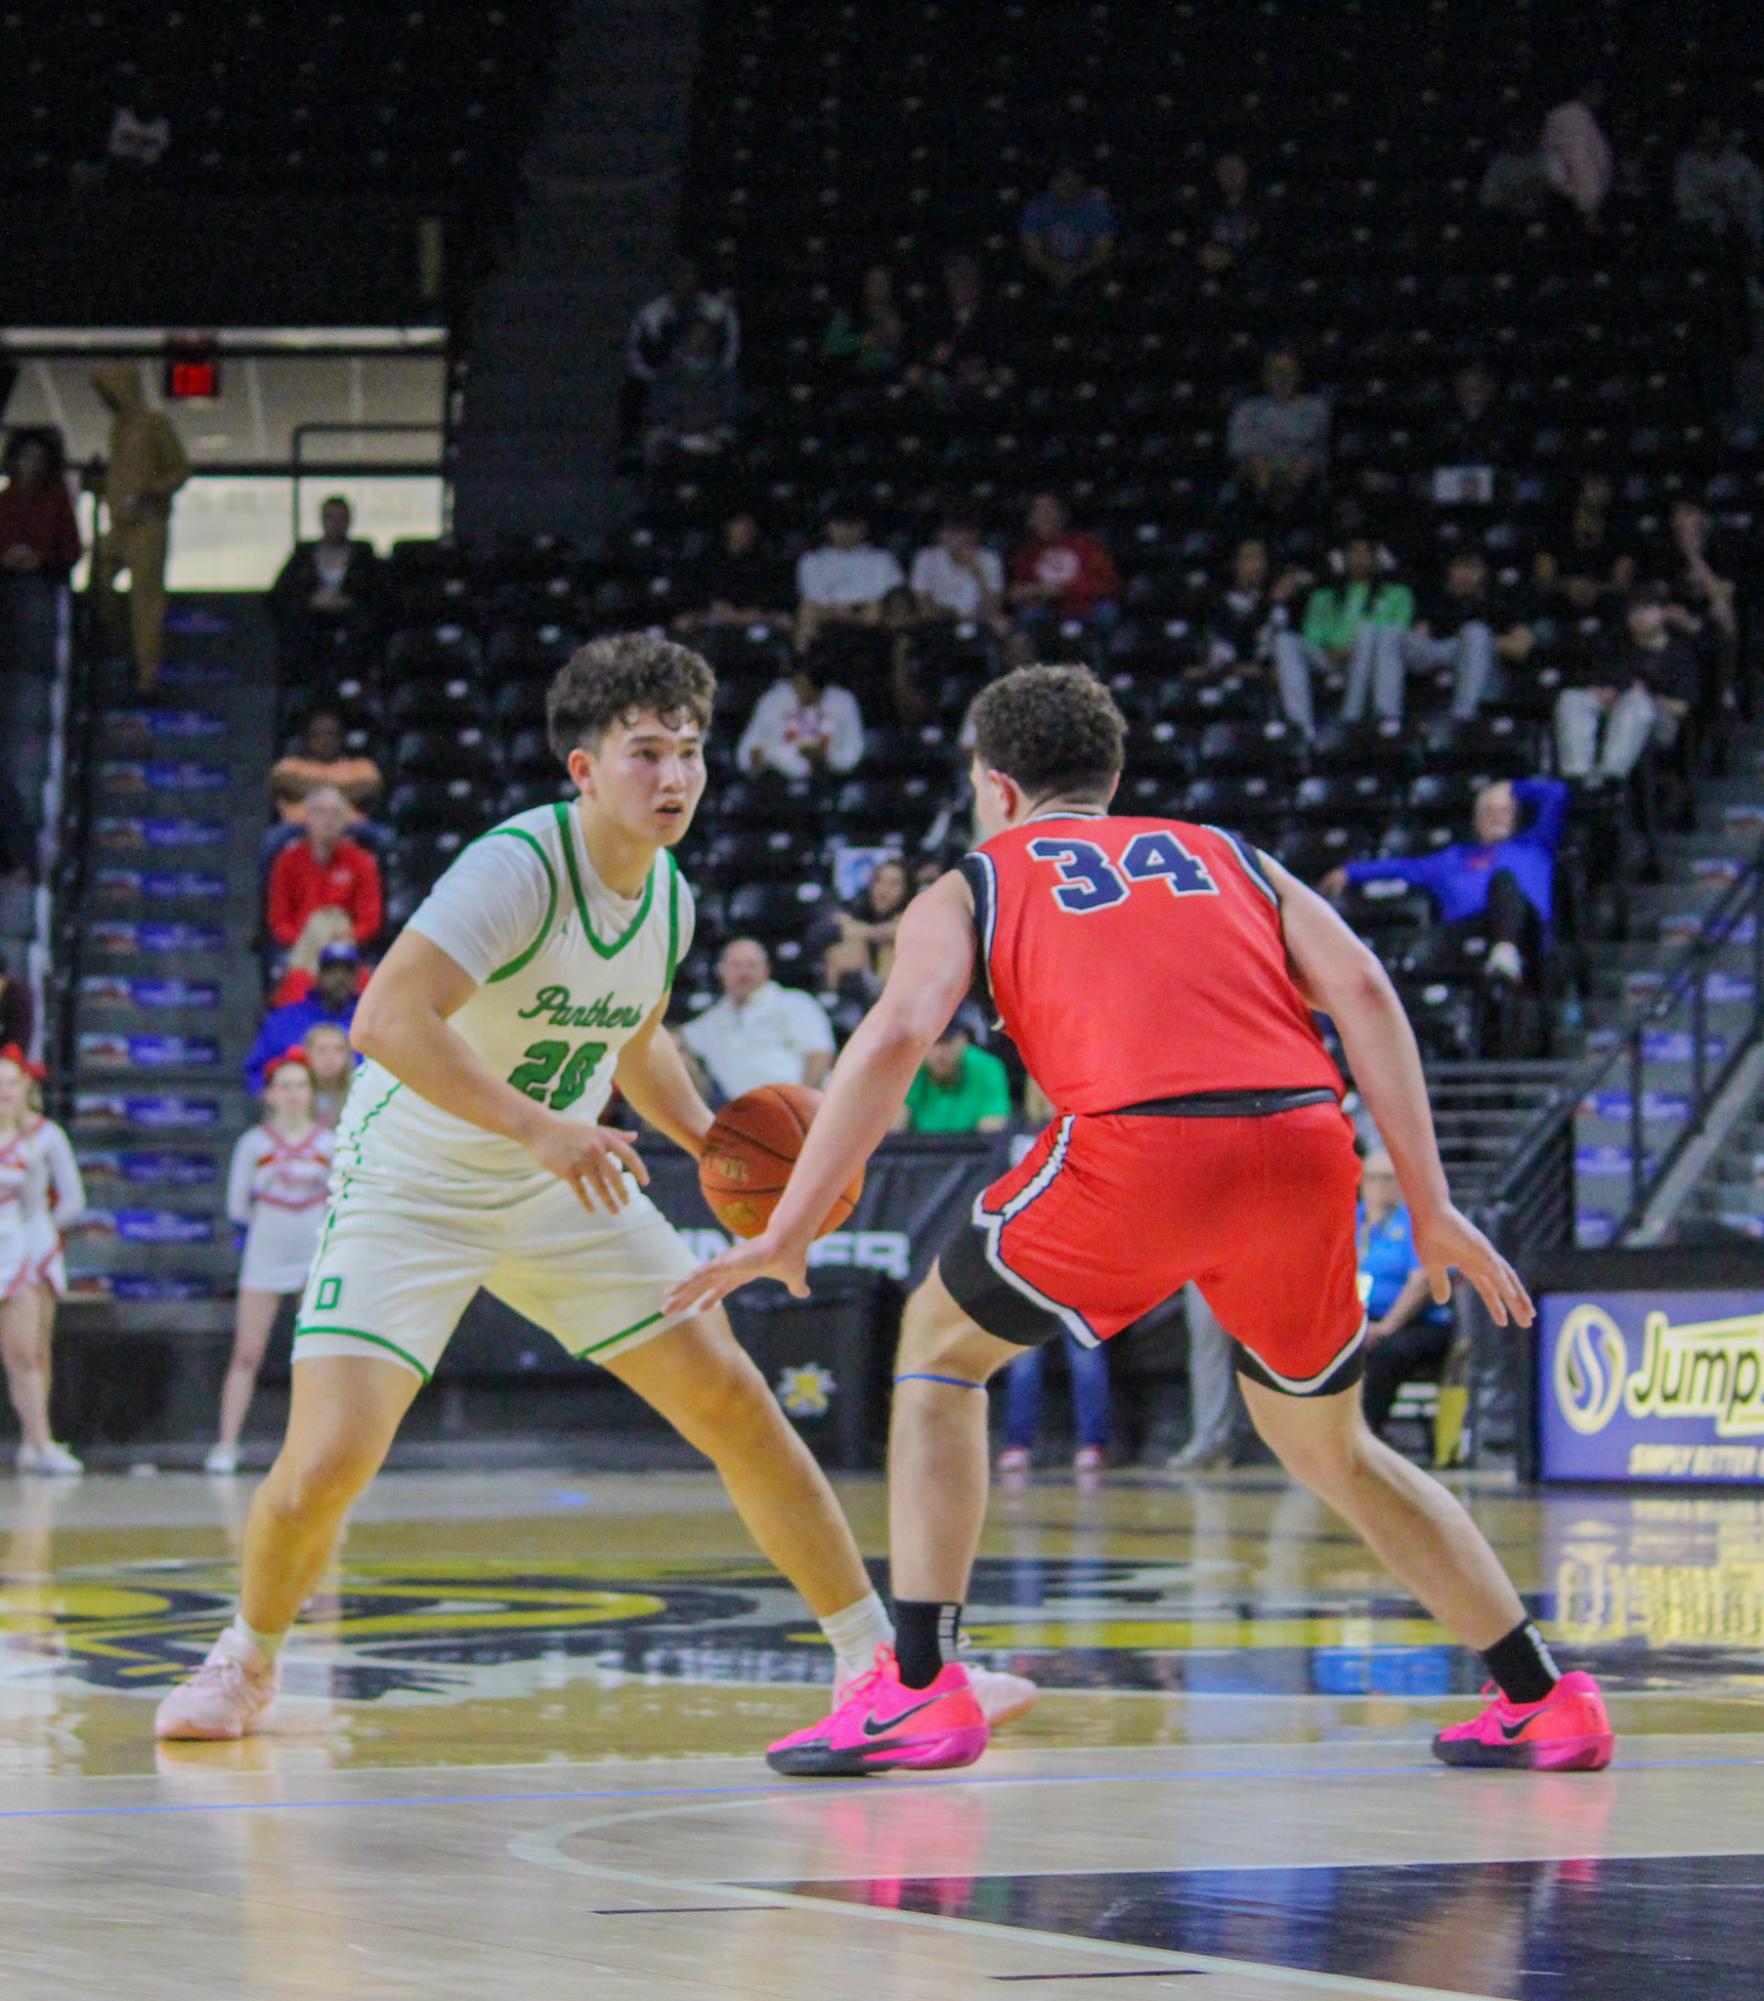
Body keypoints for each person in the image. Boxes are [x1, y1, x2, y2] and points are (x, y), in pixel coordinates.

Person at [672, 663, 1611, 1781]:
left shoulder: (973, 880)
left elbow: (888, 1041)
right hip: (1306, 1143)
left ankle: (919, 1687)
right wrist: (1431, 1198)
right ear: (1109, 779)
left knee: (938, 1351)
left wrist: (783, 1231)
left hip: (1145, 1144)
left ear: (997, 789)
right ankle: (1543, 1698)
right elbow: (1363, 989)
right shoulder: (1230, 853)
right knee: (1332, 1448)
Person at [152, 632, 1036, 1742]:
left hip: (562, 1183)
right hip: (413, 1183)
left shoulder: (665, 896)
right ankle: (248, 1659)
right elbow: (383, 1022)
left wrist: (716, 1141)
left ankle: (878, 1667)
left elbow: (637, 1040)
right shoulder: (516, 869)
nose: (675, 778)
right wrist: (540, 1127)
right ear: (584, 769)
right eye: (645, 753)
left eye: (691, 753)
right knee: (328, 1459)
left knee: (735, 1403)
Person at [1323, 776, 1570, 1022]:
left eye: (1504, 810)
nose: (1497, 816)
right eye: (1489, 810)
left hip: (1526, 935)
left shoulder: (1535, 846)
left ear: (1515, 818)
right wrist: (1350, 872)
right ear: (1476, 819)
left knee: (1503, 881)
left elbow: (1556, 793)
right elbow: (1403, 867)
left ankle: (1505, 951)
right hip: (1464, 935)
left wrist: (1509, 787)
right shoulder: (1452, 858)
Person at [208, 1054, 337, 1477]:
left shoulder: (328, 1143)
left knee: (319, 1356)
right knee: (246, 1353)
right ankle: (226, 1444)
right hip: (265, 1258)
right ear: (269, 1094)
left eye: (301, 1085)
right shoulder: (253, 1144)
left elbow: (342, 1202)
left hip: (313, 1259)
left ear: (312, 1093)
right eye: (284, 1086)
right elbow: (236, 1207)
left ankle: (322, 1447)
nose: (293, 1094)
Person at [88, 363, 190, 695]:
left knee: (145, 599)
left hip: (147, 522)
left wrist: (150, 491)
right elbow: (122, 473)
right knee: (100, 578)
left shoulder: (155, 424)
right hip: (119, 524)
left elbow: (179, 470)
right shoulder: (118, 428)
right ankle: (123, 645)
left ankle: (148, 670)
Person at [0, 1051, 78, 1475]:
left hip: (16, 1250)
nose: (3, 1091)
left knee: (27, 1354)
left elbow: (42, 1207)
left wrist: (40, 1247)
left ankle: (39, 1442)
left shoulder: (36, 1140)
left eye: (11, 1083)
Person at [1356, 1150, 1456, 1441]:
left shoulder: (1416, 1221)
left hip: (1417, 1322)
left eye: (1388, 1178)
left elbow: (1421, 1280)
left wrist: (1386, 1326)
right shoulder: (1351, 1220)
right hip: (1360, 1317)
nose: (1380, 1185)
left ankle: (1366, 1433)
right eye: (1372, 1178)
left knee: (1387, 1352)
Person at [1554, 588, 1696, 781]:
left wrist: (1647, 697)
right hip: (1611, 713)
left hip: (1658, 721)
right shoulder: (1617, 646)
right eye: (1634, 611)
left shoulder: (1680, 653)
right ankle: (1579, 777)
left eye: (1646, 609)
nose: (1639, 616)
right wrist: (1600, 692)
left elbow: (1682, 707)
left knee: (1636, 702)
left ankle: (1611, 779)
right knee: (1571, 698)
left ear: (1662, 613)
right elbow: (1599, 682)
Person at [1273, 537, 1414, 732]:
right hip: (1330, 657)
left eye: (1365, 553)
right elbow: (1312, 632)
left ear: (1375, 559)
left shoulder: (1397, 594)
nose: (1359, 559)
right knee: (1285, 641)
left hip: (1372, 660)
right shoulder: (1324, 595)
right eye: (1353, 553)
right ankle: (1301, 725)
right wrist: (1332, 647)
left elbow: (1399, 630)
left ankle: (1353, 716)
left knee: (1369, 633)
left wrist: (1353, 647)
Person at [679, 937, 836, 1102]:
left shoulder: (794, 1002)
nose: (744, 973)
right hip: (742, 1117)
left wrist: (800, 1106)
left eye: (751, 965)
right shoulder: (711, 1020)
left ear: (766, 970)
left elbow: (819, 1055)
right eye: (736, 965)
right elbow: (674, 1040)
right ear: (721, 971)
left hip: (794, 1107)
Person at [1398, 549, 1537, 722]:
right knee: (1394, 637)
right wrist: (1457, 649)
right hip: (1439, 680)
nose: (1466, 574)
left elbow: (1521, 648)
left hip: (1489, 684)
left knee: (1474, 633)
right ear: (1449, 571)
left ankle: (1463, 718)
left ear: (1484, 572)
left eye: (1472, 568)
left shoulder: (1497, 603)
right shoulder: (1437, 604)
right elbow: (1417, 648)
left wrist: (1479, 645)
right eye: (1460, 567)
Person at [20, 1066, 85, 1427]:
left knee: (35, 1348)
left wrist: (40, 1227)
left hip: (34, 1246)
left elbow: (73, 1200)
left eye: (12, 1084)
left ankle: (37, 1438)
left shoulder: (47, 1136)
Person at [622, 256, 740, 444]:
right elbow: (638, 366)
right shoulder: (650, 315)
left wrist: (705, 414)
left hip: (710, 391)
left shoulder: (720, 311)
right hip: (667, 393)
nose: (684, 280)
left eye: (689, 274)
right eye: (678, 273)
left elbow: (728, 360)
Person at [265, 786, 383, 951]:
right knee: (298, 977)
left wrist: (344, 940)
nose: (328, 820)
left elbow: (370, 921)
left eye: (335, 813)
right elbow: (279, 921)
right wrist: (307, 943)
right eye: (320, 812)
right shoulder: (286, 861)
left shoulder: (362, 862)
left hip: (347, 950)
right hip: (299, 948)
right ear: (308, 817)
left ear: (344, 821)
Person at [245, 942, 364, 1093]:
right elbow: (255, 1074)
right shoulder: (284, 1020)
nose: (340, 978)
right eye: (331, 971)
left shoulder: (372, 1024)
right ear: (318, 976)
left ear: (357, 978)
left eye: (347, 972)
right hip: (295, 1111)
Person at [268, 498, 381, 653]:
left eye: (341, 518)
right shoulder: (303, 556)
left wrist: (348, 602)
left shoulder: (363, 555)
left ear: (349, 521)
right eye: (330, 517)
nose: (335, 524)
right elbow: (281, 593)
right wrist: (309, 601)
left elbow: (378, 592)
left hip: (352, 622)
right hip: (310, 623)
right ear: (322, 520)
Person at [1227, 347, 1330, 516]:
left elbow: (1311, 440)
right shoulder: (1247, 408)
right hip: (1258, 468)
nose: (1282, 378)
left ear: (1299, 375)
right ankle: (1261, 518)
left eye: (1289, 372)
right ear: (1265, 376)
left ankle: (1294, 516)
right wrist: (1275, 456)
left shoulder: (1316, 407)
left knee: (1303, 466)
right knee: (1257, 466)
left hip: (1301, 466)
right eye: (1276, 372)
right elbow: (1238, 447)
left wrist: (1278, 455)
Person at [793, 503, 905, 654]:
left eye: (852, 525)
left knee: (879, 611)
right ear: (829, 528)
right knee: (807, 611)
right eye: (839, 525)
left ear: (863, 527)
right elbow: (813, 595)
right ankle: (801, 671)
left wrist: (856, 612)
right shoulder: (812, 560)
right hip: (828, 613)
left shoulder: (882, 559)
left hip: (869, 614)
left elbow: (891, 594)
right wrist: (838, 612)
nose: (846, 531)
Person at [267, 708, 384, 851]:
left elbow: (369, 788)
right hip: (299, 827)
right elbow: (282, 782)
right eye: (317, 735)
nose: (324, 740)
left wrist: (309, 788)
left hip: (351, 827)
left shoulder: (361, 766)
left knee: (385, 837)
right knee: (271, 840)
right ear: (308, 739)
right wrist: (345, 790)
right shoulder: (290, 765)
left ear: (341, 738)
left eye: (330, 734)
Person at [1007, 493, 1120, 634]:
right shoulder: (1026, 553)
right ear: (1030, 520)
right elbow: (1019, 589)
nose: (1045, 517)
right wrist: (1028, 592)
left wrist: (1062, 590)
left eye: (1049, 511)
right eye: (1039, 513)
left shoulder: (1086, 545)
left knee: (1106, 613)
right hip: (1047, 611)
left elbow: (1107, 584)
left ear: (1062, 515)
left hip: (1085, 608)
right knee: (1026, 617)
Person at [736, 659, 864, 780]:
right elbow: (747, 749)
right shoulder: (776, 698)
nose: (798, 689)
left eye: (805, 685)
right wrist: (757, 757)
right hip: (777, 780)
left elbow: (852, 752)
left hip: (828, 780)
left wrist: (827, 757)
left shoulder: (843, 702)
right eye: (796, 683)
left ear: (821, 688)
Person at [672, 511, 794, 637]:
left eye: (750, 524)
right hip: (718, 614)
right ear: (729, 527)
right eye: (741, 523)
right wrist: (725, 611)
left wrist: (756, 613)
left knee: (786, 622)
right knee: (683, 623)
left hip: (755, 615)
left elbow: (769, 594)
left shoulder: (765, 560)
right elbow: (705, 593)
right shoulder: (711, 557)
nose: (747, 529)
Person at [896, 1012, 1011, 1135]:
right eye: (934, 1043)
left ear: (964, 1041)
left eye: (947, 1042)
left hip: (972, 1150)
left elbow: (992, 1130)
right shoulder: (910, 1069)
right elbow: (892, 1131)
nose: (940, 1054)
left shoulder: (987, 1068)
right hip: (917, 1150)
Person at [644, 319, 741, 462]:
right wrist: (680, 422)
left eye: (706, 337)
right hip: (674, 430)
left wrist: (706, 419)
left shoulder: (726, 376)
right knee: (654, 442)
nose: (700, 342)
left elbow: (734, 408)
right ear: (684, 340)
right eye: (695, 336)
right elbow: (655, 408)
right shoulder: (667, 374)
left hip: (713, 430)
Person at [1673, 117, 1764, 261]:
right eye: (1707, 132)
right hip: (1701, 212)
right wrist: (1711, 202)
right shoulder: (1688, 161)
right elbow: (1681, 194)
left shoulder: (1739, 160)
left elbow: (1757, 188)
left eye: (1715, 131)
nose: (1711, 136)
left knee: (1755, 221)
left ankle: (1751, 272)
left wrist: (1740, 202)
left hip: (1738, 209)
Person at [822, 855, 911, 996]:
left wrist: (860, 930)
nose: (884, 890)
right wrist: (875, 932)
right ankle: (833, 1002)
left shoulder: (916, 914)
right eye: (879, 881)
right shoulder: (858, 907)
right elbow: (832, 927)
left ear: (907, 889)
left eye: (894, 883)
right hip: (863, 988)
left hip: (905, 992)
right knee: (845, 950)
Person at [1020, 162, 1117, 292]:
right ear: (1051, 183)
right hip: (1045, 269)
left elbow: (1103, 250)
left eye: (1073, 179)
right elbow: (1032, 249)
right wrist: (1053, 269)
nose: (1067, 185)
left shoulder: (1096, 207)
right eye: (1061, 179)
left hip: (1088, 270)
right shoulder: (1038, 205)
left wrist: (1075, 272)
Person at [0, 430, 82, 582]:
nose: (32, 465)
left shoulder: (56, 503)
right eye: (27, 457)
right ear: (15, 460)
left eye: (39, 459)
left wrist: (42, 561)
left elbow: (71, 550)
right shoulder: (4, 502)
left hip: (45, 581)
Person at [910, 511, 1007, 631]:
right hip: (940, 623)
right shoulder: (926, 558)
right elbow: (922, 605)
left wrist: (978, 574)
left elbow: (994, 609)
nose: (965, 538)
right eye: (957, 533)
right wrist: (956, 616)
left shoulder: (990, 560)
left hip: (979, 624)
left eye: (970, 532)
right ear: (943, 535)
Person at [1542, 82, 1614, 225]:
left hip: (1578, 199)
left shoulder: (1586, 117)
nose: (1603, 97)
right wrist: (1588, 203)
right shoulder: (1572, 118)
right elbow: (1580, 162)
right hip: (1576, 205)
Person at [821, 265, 907, 375]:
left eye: (883, 282)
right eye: (874, 282)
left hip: (894, 375)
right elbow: (829, 346)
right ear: (865, 285)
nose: (879, 287)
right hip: (855, 377)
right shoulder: (849, 313)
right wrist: (860, 340)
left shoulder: (901, 312)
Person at [303, 1022, 357, 1127]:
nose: (330, 1057)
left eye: (338, 1050)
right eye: (321, 1050)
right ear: (307, 1054)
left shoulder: (359, 1091)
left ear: (348, 1055)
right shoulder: (296, 1090)